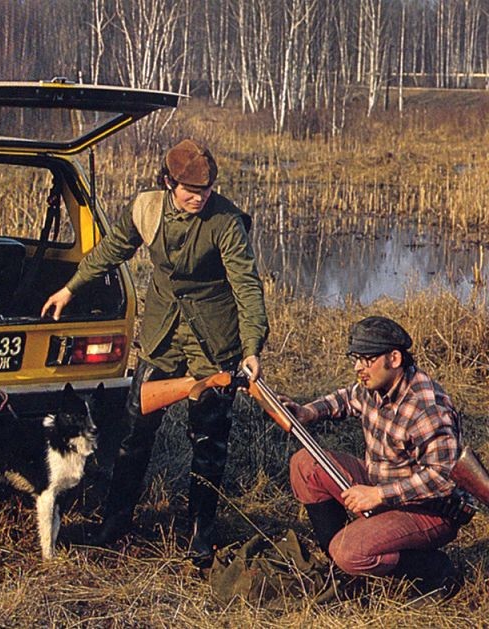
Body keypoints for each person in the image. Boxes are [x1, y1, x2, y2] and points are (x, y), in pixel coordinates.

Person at [41, 138, 269, 566]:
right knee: (133, 433)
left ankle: (200, 536)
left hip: (212, 339)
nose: (199, 198)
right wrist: (70, 289)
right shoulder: (146, 208)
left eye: (206, 190)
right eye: (191, 191)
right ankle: (115, 523)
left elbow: (247, 285)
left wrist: (252, 347)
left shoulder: (226, 221)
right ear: (168, 182)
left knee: (208, 440)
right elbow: (112, 250)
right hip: (161, 334)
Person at [283, 316, 473, 594]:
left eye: (366, 359)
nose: (358, 367)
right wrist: (308, 412)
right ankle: (339, 565)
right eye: (356, 359)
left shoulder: (427, 407)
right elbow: (347, 398)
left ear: (394, 358)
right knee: (304, 463)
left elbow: (443, 478)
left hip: (429, 510)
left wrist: (379, 495)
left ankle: (435, 570)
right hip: (382, 485)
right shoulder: (375, 385)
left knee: (349, 551)